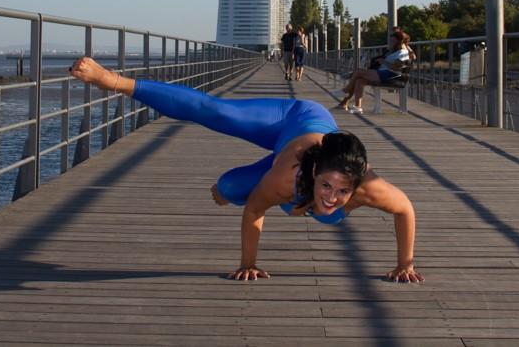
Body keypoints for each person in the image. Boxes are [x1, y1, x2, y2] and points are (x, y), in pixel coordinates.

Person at [70, 56, 424, 284]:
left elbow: (405, 209)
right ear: (315, 171)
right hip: (294, 120)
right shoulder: (287, 176)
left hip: (301, 162)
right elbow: (255, 208)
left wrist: (405, 264)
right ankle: (114, 80)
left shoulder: (367, 187)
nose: (333, 196)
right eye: (327, 186)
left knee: (320, 212)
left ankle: (289, 194)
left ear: (356, 186)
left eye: (343, 190)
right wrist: (248, 263)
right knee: (220, 134)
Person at [338, 29, 416, 116]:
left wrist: (383, 61)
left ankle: (345, 90)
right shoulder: (393, 51)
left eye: (392, 40)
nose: (390, 42)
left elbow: (396, 67)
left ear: (398, 41)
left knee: (358, 72)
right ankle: (358, 107)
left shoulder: (402, 52)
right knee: (359, 80)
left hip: (390, 75)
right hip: (383, 72)